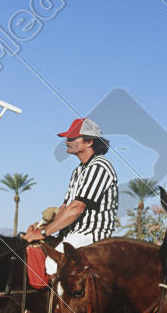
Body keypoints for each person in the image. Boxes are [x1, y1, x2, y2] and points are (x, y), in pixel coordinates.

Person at [23, 118, 118, 275]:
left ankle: (57, 300)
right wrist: (43, 228)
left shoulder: (100, 167)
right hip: (72, 234)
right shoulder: (79, 171)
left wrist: (43, 233)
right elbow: (65, 209)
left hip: (91, 235)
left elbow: (76, 209)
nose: (67, 141)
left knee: (53, 263)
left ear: (89, 142)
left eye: (72, 138)